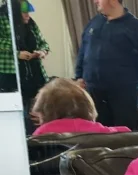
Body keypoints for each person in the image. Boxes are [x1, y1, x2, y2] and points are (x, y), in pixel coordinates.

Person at [74, 0, 138, 131]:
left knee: (125, 132)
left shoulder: (136, 27)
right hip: (94, 91)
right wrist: (79, 76)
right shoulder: (94, 23)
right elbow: (83, 51)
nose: (95, 1)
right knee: (97, 132)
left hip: (124, 92)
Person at [0, 0, 49, 134]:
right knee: (17, 118)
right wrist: (16, 53)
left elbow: (44, 43)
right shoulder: (2, 19)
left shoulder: (31, 24)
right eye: (25, 12)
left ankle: (37, 143)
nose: (28, 15)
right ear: (15, 11)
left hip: (35, 77)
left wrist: (41, 52)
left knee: (36, 114)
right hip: (10, 78)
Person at [30, 77, 130, 136]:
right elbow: (126, 132)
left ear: (43, 111)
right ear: (88, 105)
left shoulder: (41, 134)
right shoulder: (98, 130)